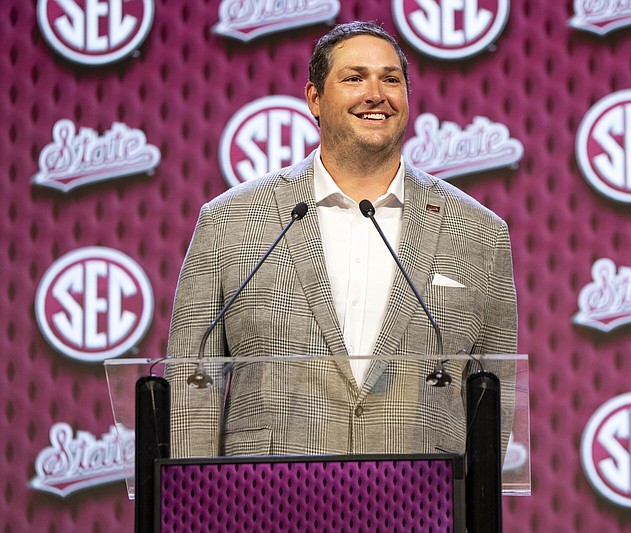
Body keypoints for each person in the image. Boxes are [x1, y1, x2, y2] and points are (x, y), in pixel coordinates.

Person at [167, 21, 517, 459]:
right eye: (354, 78)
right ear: (314, 98)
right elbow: (190, 386)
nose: (376, 94)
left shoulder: (479, 232)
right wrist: (190, 503)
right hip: (264, 504)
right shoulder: (229, 220)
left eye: (391, 79)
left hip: (421, 506)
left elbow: (496, 396)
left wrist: (475, 511)